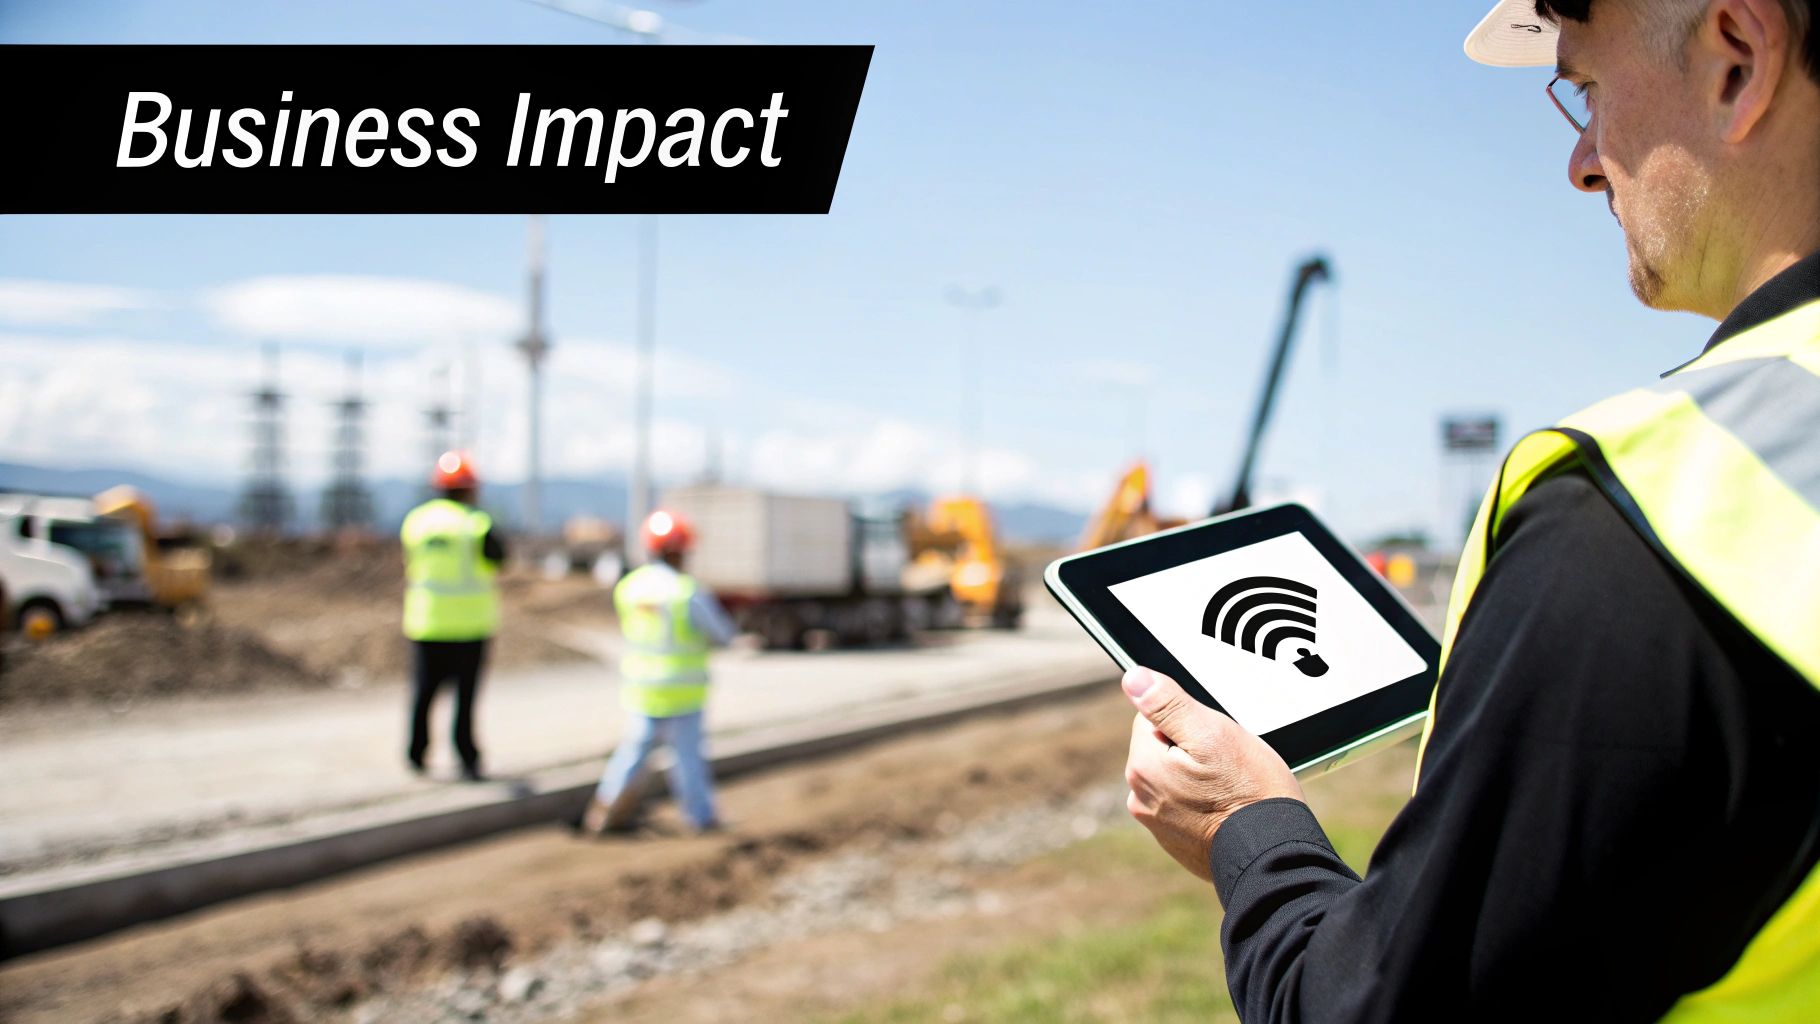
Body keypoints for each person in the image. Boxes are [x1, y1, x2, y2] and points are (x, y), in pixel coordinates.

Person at [1120, 1, 1820, 1020]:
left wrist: (1246, 824)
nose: (1580, 164)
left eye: (1586, 90)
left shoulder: (1644, 522)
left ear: (1738, 61)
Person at [582, 509, 737, 835]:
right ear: (678, 551)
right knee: (687, 757)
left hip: (643, 686)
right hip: (683, 689)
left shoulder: (630, 587)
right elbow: (722, 634)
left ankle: (605, 811)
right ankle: (700, 817)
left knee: (633, 751)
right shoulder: (686, 591)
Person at [400, 450, 505, 782]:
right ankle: (467, 757)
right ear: (470, 488)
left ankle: (416, 754)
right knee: (465, 698)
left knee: (424, 692)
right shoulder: (476, 524)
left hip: (426, 622)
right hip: (470, 626)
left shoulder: (417, 522)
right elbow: (498, 558)